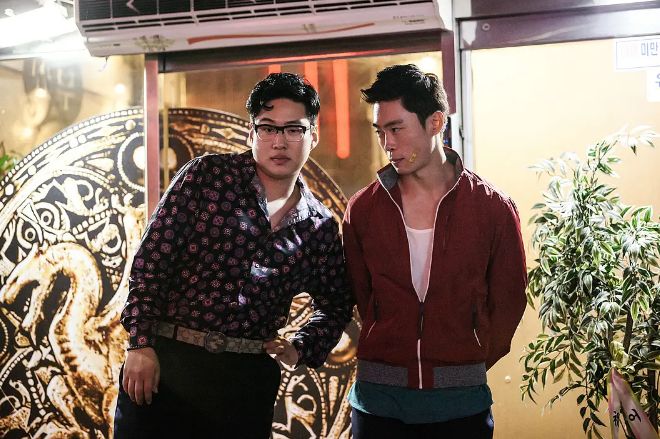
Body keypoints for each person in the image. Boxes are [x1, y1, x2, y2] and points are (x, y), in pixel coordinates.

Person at [113, 72, 354, 439]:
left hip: (246, 380)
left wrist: (301, 347)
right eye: (268, 128)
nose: (279, 142)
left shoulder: (318, 225)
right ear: (251, 134)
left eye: (294, 130)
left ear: (313, 136)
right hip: (169, 363)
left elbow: (337, 302)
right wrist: (140, 345)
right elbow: (152, 261)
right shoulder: (207, 177)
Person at [342, 64, 527, 439]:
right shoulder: (363, 210)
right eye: (380, 132)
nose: (387, 143)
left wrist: (466, 360)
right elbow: (361, 294)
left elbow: (509, 300)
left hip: (461, 403)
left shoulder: (492, 208)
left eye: (396, 129)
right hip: (377, 402)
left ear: (436, 122)